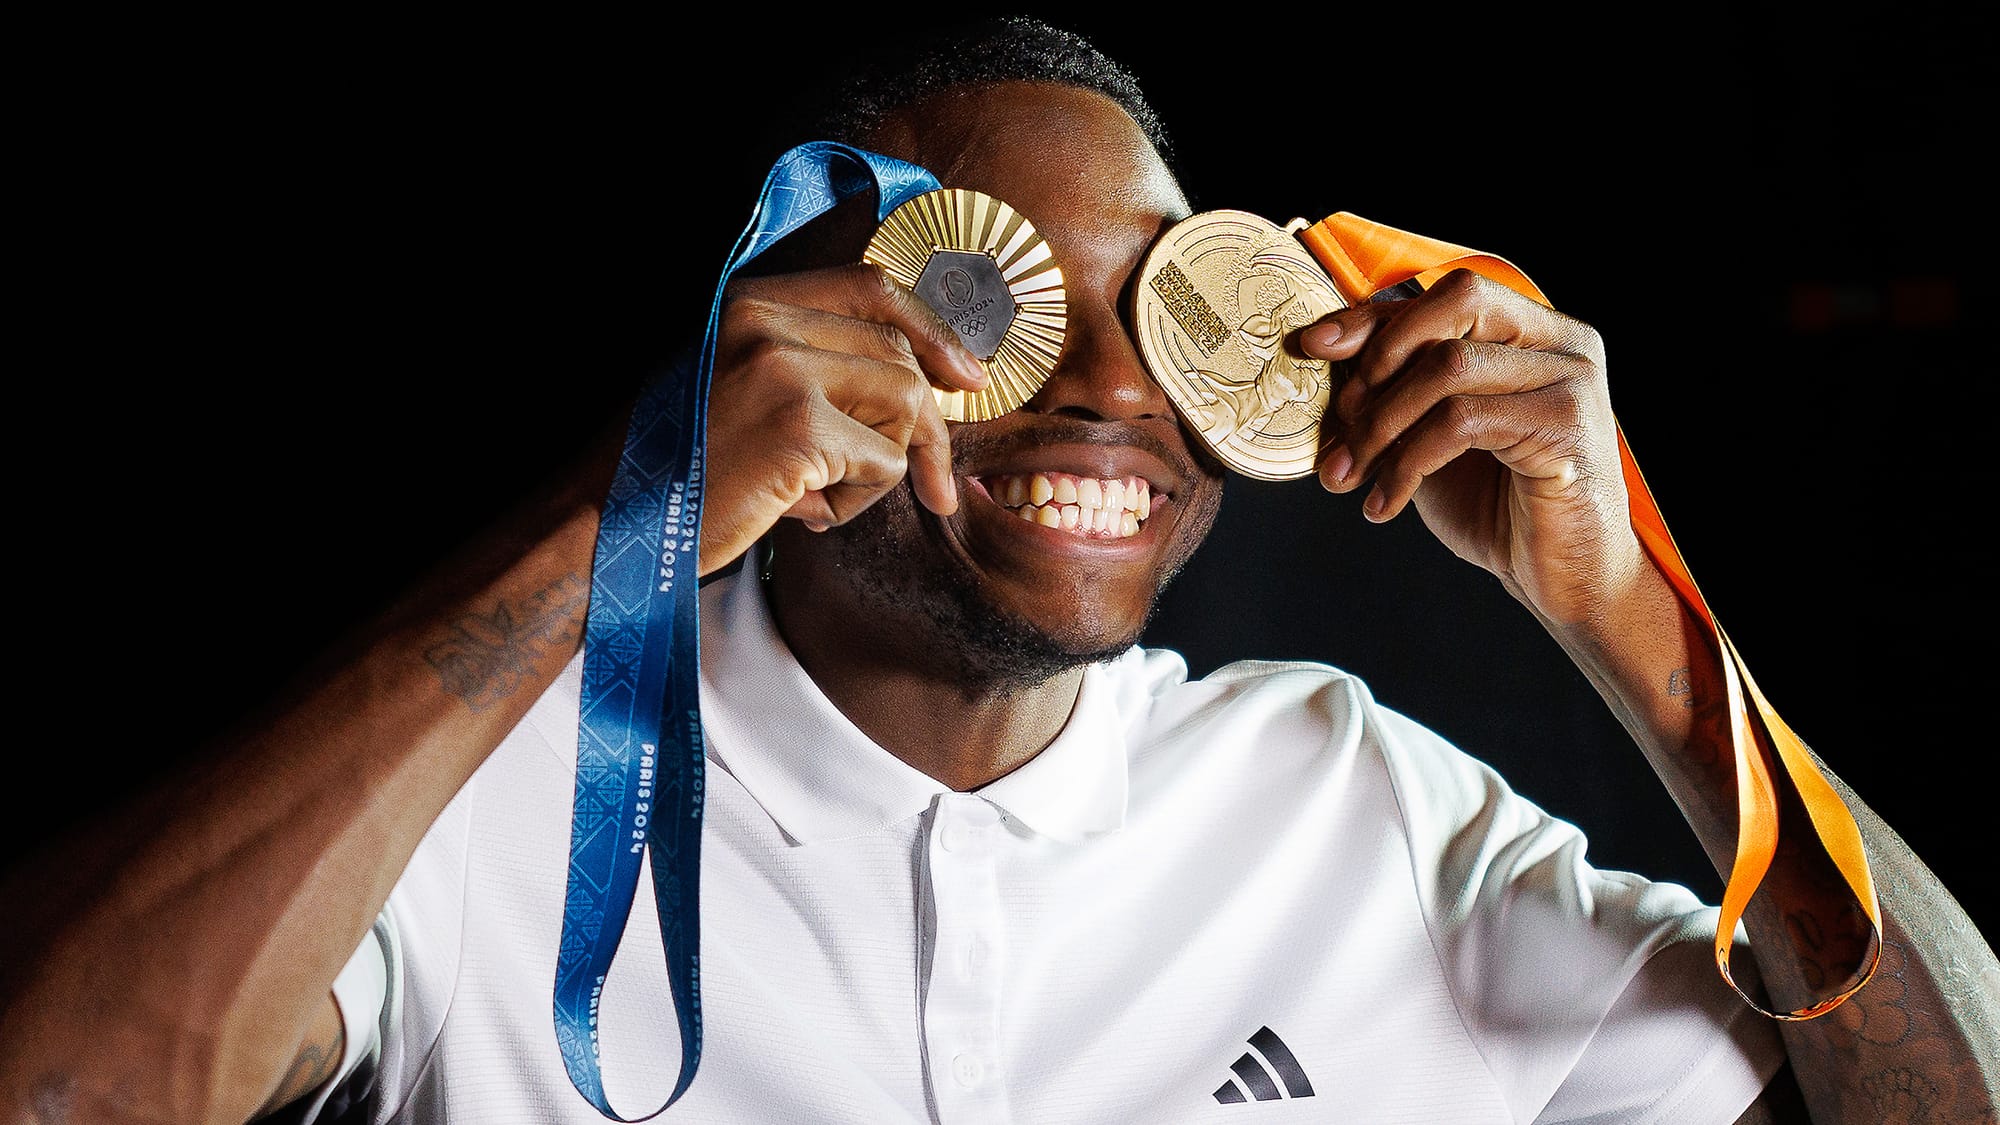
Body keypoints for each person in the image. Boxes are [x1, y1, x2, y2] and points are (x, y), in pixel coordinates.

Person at [4, 16, 1995, 1125]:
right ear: (786, 332)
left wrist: (1629, 618)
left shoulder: (1357, 803)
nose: (1116, 387)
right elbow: (61, 1079)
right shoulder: (498, 798)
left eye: (1169, 306)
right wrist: (633, 513)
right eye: (998, 299)